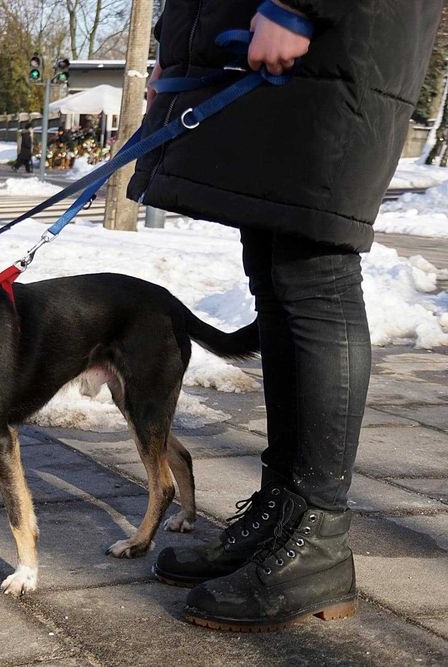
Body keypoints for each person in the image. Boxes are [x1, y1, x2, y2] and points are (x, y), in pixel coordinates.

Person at [127, 0, 443, 632]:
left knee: (315, 269)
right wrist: (183, 42)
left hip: (333, 36)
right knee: (273, 264)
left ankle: (317, 537)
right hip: (271, 44)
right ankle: (283, 510)